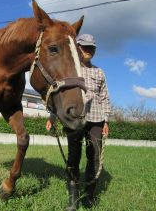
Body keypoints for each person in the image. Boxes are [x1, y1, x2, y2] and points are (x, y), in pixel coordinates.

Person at [46, 34, 111, 210]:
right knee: (73, 156)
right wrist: (52, 116)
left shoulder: (99, 72)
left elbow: (105, 97)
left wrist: (106, 120)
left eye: (92, 47)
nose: (88, 50)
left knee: (94, 157)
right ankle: (73, 201)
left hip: (96, 119)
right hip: (74, 118)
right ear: (77, 48)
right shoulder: (71, 70)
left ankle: (89, 197)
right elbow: (58, 95)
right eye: (85, 47)